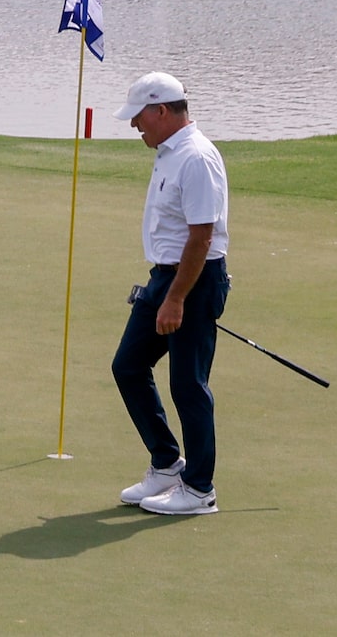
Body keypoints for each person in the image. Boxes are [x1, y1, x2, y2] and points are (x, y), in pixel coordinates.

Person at [110, 70, 230, 516]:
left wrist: (177, 297)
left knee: (188, 385)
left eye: (139, 116)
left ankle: (199, 489)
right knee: (128, 366)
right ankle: (165, 464)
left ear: (162, 111)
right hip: (166, 277)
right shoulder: (169, 152)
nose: (134, 125)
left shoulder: (196, 157)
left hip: (194, 280)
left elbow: (201, 238)